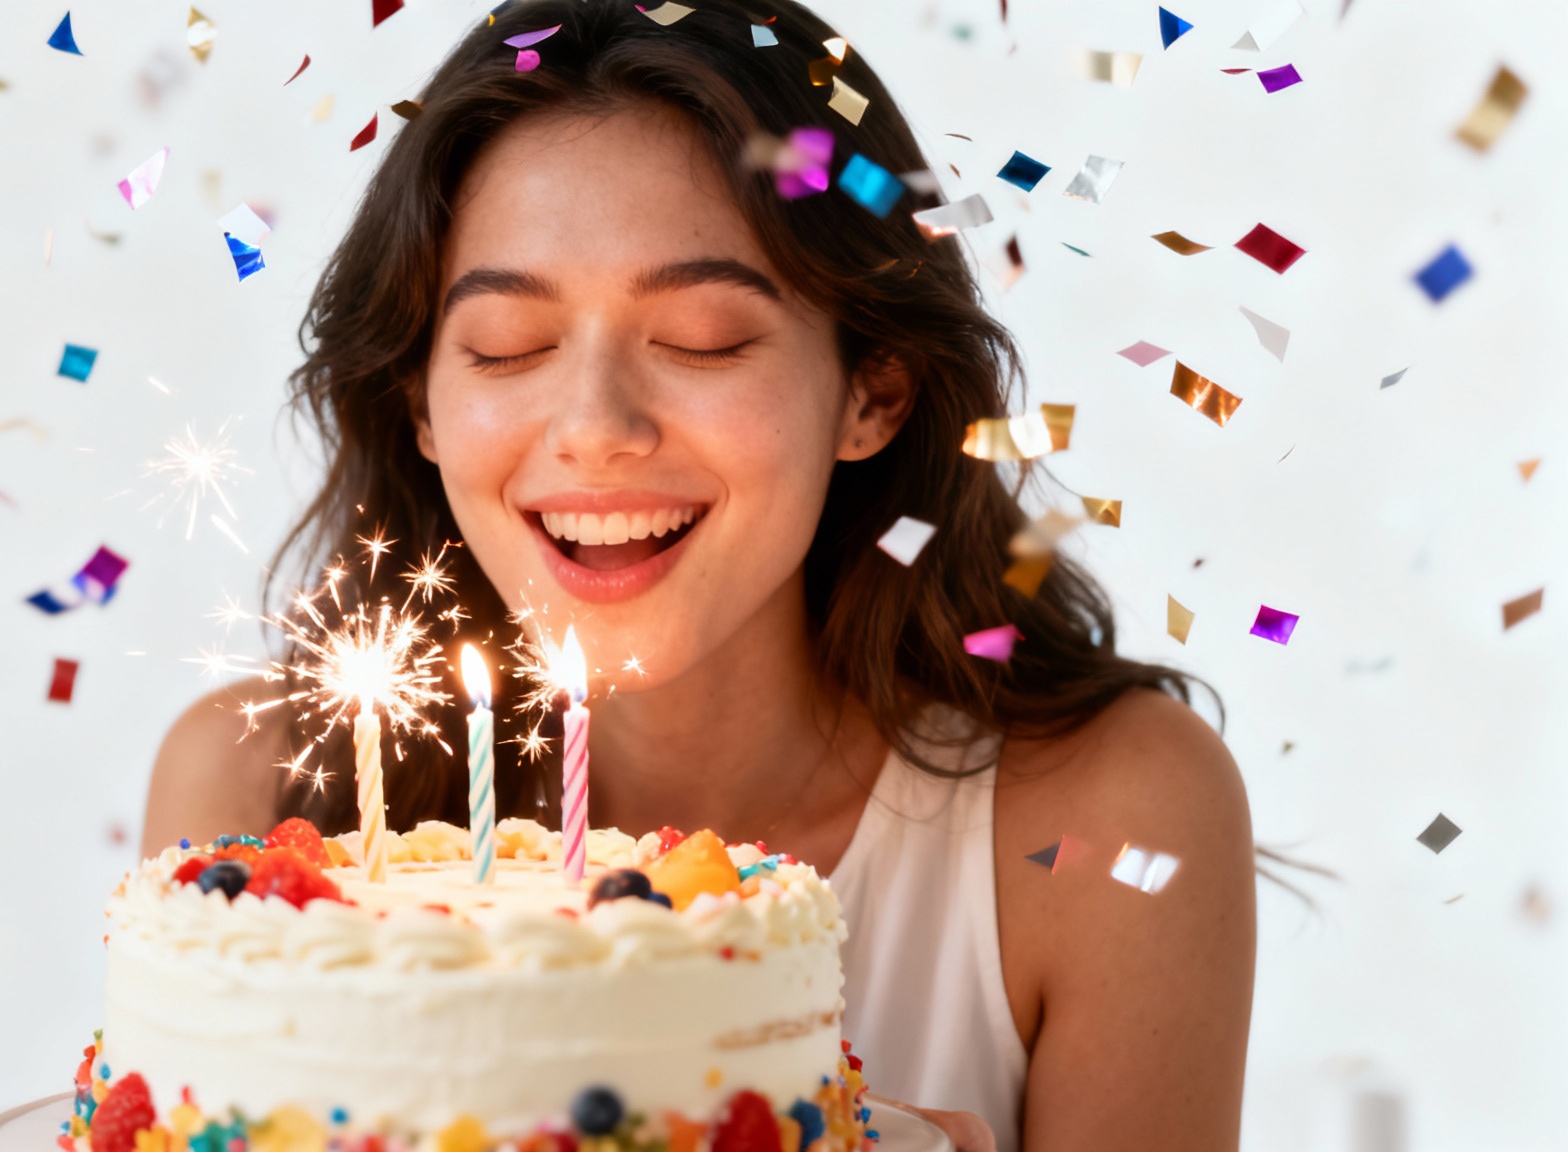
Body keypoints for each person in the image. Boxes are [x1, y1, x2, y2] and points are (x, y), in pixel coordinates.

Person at [143, 2, 1255, 1149]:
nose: (595, 431)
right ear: (421, 402)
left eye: (704, 338)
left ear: (871, 391)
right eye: (505, 348)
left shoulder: (1110, 816)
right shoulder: (252, 799)